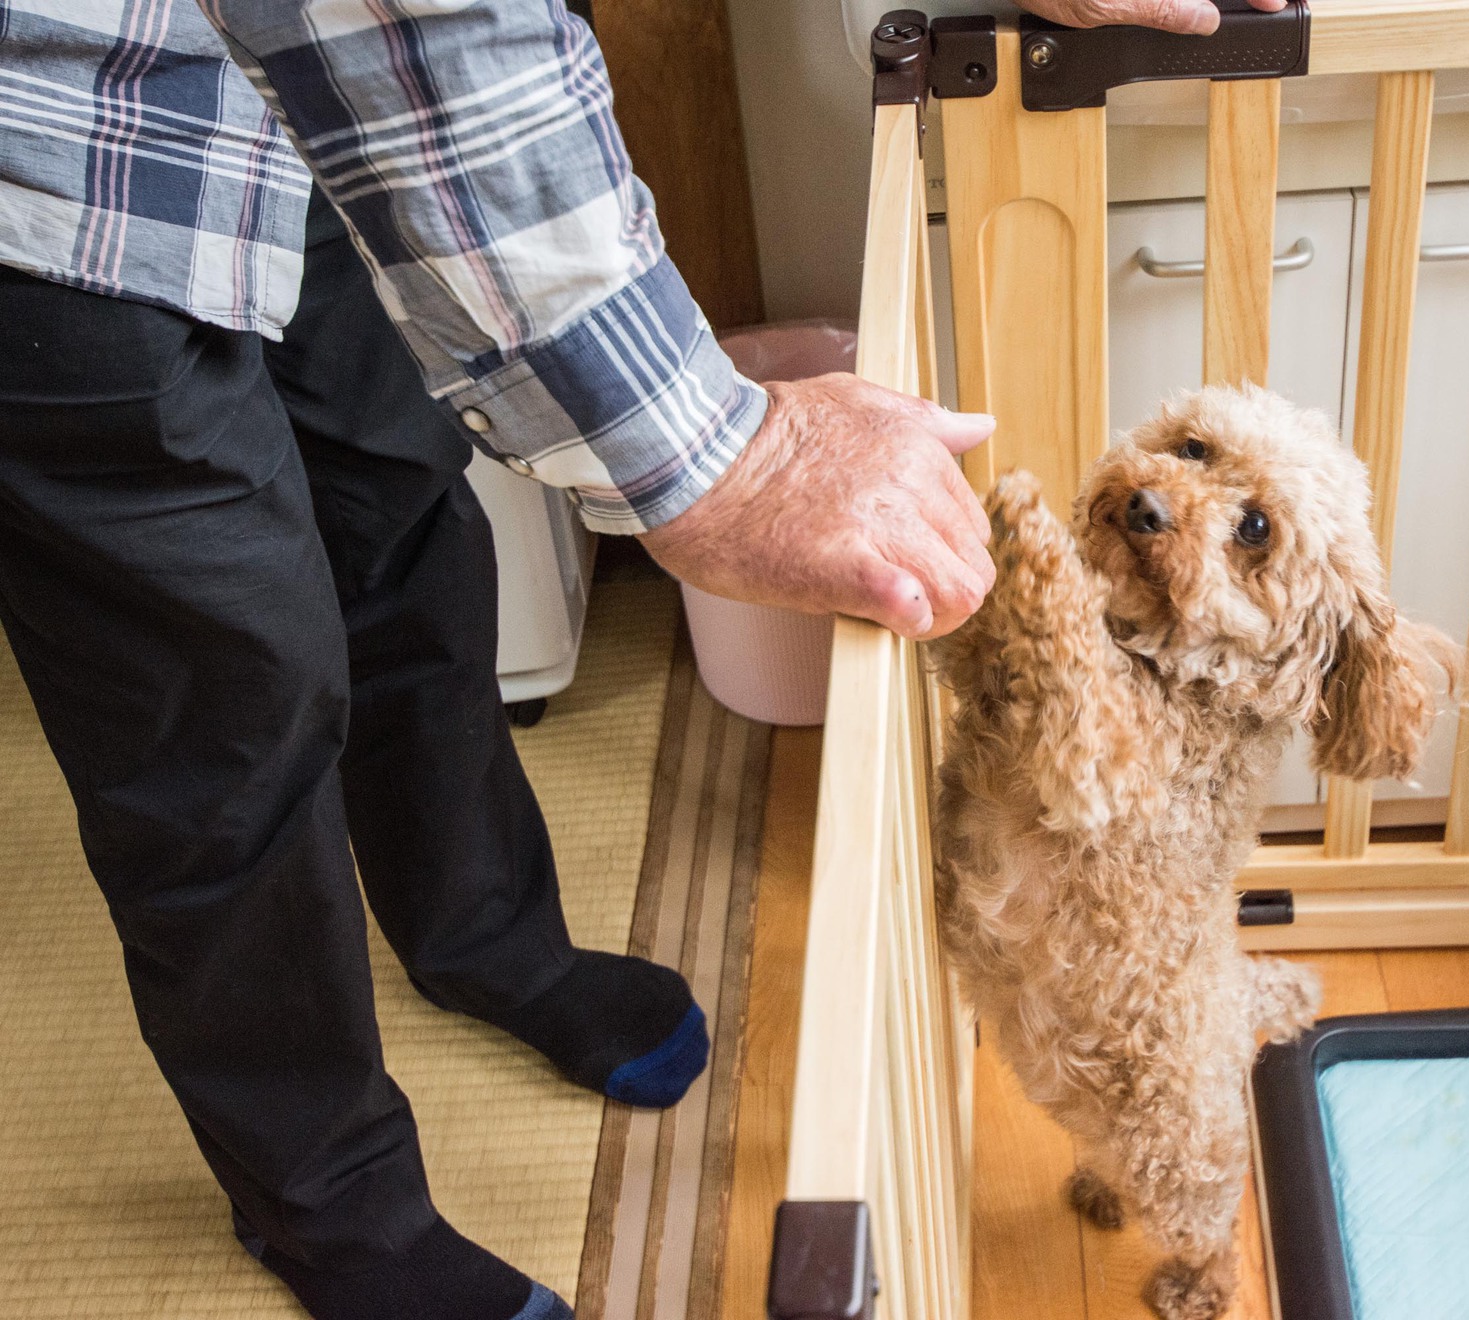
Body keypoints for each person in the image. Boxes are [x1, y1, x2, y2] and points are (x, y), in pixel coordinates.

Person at [0, 0, 1286, 1316]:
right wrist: (720, 449)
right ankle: (326, 1203)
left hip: (287, 114)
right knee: (223, 722)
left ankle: (487, 941)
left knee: (411, 539)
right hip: (57, 168)